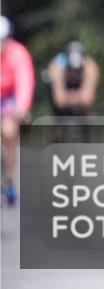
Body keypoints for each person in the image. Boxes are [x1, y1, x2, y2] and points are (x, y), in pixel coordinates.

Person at [0, 15, 35, 206]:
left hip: (9, 96)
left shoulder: (18, 53)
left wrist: (22, 106)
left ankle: (9, 180)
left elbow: (24, 81)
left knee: (9, 131)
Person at [48, 40, 100, 117]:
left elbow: (87, 100)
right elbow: (59, 101)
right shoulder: (57, 66)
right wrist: (76, 97)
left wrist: (69, 97)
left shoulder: (90, 66)